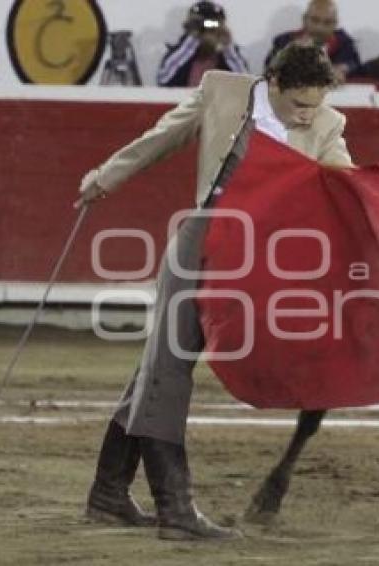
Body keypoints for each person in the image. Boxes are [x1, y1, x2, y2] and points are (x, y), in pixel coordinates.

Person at [79, 44, 352, 541]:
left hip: (254, 261)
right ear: (273, 83)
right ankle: (176, 511)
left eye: (315, 105)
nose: (307, 116)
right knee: (170, 368)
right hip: (202, 241)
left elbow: (345, 184)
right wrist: (106, 177)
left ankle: (108, 494)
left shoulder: (328, 123)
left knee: (158, 368)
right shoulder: (222, 91)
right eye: (298, 106)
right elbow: (161, 137)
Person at [157, 1, 249, 87]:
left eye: (214, 23)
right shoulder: (181, 53)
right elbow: (164, 79)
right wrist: (193, 39)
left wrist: (226, 46)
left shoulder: (228, 56)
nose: (208, 30)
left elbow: (246, 85)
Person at [264, 0, 360, 82]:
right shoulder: (285, 41)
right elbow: (270, 68)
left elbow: (355, 64)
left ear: (335, 24)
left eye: (327, 22)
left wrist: (343, 69)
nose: (320, 28)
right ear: (304, 19)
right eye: (315, 20)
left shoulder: (344, 42)